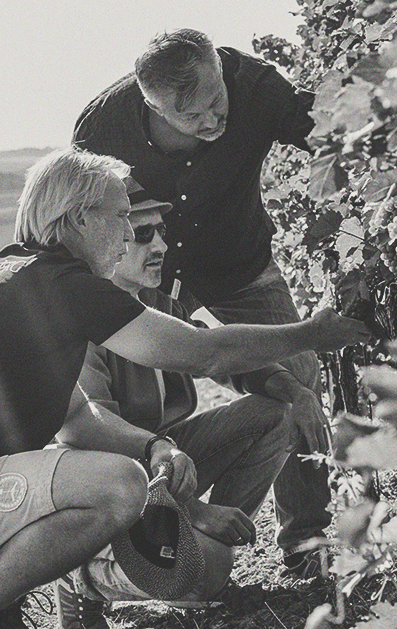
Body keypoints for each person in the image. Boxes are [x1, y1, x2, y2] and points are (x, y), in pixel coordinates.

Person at [0, 146, 369, 629]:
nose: (129, 232)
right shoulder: (62, 285)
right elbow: (204, 353)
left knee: (126, 474)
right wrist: (311, 334)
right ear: (81, 218)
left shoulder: (28, 275)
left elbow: (81, 421)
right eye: (121, 216)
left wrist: (153, 446)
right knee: (118, 485)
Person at [73, 28, 335, 578]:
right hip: (149, 262)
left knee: (297, 376)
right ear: (151, 105)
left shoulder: (257, 88)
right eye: (191, 117)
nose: (214, 121)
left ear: (220, 67)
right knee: (126, 385)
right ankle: (155, 526)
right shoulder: (103, 127)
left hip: (237, 259)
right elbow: (81, 210)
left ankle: (305, 540)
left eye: (218, 101)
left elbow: (333, 136)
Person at [54, 178, 328, 629]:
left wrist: (295, 391)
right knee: (202, 575)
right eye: (143, 234)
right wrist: (194, 507)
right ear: (111, 241)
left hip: (167, 456)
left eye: (161, 231)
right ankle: (81, 580)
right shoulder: (83, 317)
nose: (160, 244)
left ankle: (204, 549)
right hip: (108, 473)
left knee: (275, 412)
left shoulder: (169, 300)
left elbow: (232, 358)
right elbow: (94, 435)